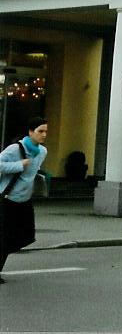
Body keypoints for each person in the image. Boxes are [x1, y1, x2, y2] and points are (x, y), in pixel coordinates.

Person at [0, 116, 49, 284]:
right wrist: (19, 165)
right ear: (30, 132)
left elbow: (34, 171)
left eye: (45, 131)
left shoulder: (42, 151)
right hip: (8, 199)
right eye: (40, 131)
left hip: (25, 200)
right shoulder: (15, 149)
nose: (43, 135)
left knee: (26, 236)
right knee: (5, 238)